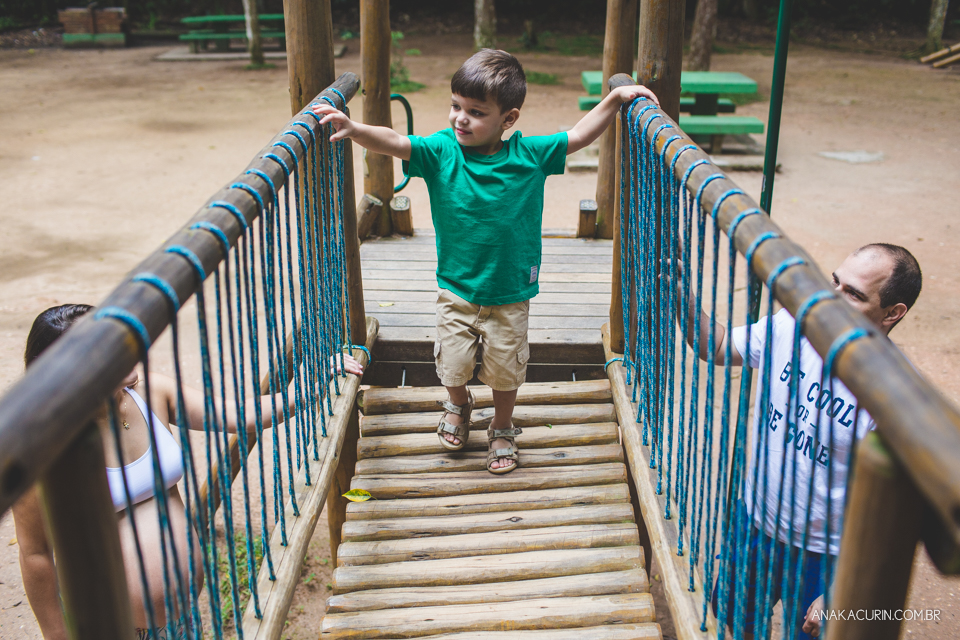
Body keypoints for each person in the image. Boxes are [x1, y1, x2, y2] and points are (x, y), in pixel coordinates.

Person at [313, 49, 658, 474]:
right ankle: (458, 403)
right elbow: (397, 141)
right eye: (456, 105)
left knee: (505, 372)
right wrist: (353, 129)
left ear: (508, 119)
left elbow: (580, 136)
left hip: (510, 291)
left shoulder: (529, 156)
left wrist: (615, 97)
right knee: (452, 366)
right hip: (456, 288)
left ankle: (501, 424)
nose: (460, 118)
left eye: (476, 112)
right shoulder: (441, 151)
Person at [12, 304, 362, 639]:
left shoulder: (150, 391)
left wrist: (310, 385)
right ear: (70, 374)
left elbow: (236, 415)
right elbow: (34, 553)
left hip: (183, 619)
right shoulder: (44, 449)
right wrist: (56, 635)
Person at [679, 244, 922, 639]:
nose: (832, 299)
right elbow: (719, 346)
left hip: (827, 555)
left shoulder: (895, 391)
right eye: (834, 282)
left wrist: (839, 592)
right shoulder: (793, 324)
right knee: (735, 623)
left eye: (855, 294)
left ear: (892, 313)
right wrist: (678, 294)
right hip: (755, 520)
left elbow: (895, 516)